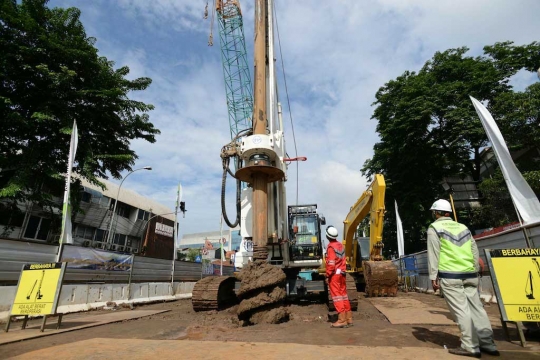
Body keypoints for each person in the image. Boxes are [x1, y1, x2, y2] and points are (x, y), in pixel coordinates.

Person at [427, 199, 499, 358]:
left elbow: (434, 253)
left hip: (450, 275)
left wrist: (433, 276)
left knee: (461, 310)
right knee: (477, 308)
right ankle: (488, 344)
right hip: (470, 275)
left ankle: (470, 346)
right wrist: (474, 269)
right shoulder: (463, 227)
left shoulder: (434, 228)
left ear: (436, 213)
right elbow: (474, 250)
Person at [325, 225, 352, 328]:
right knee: (344, 295)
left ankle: (341, 320)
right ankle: (349, 318)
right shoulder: (340, 245)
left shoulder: (331, 247)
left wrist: (327, 275)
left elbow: (331, 264)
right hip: (342, 274)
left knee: (337, 297)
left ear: (328, 236)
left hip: (335, 275)